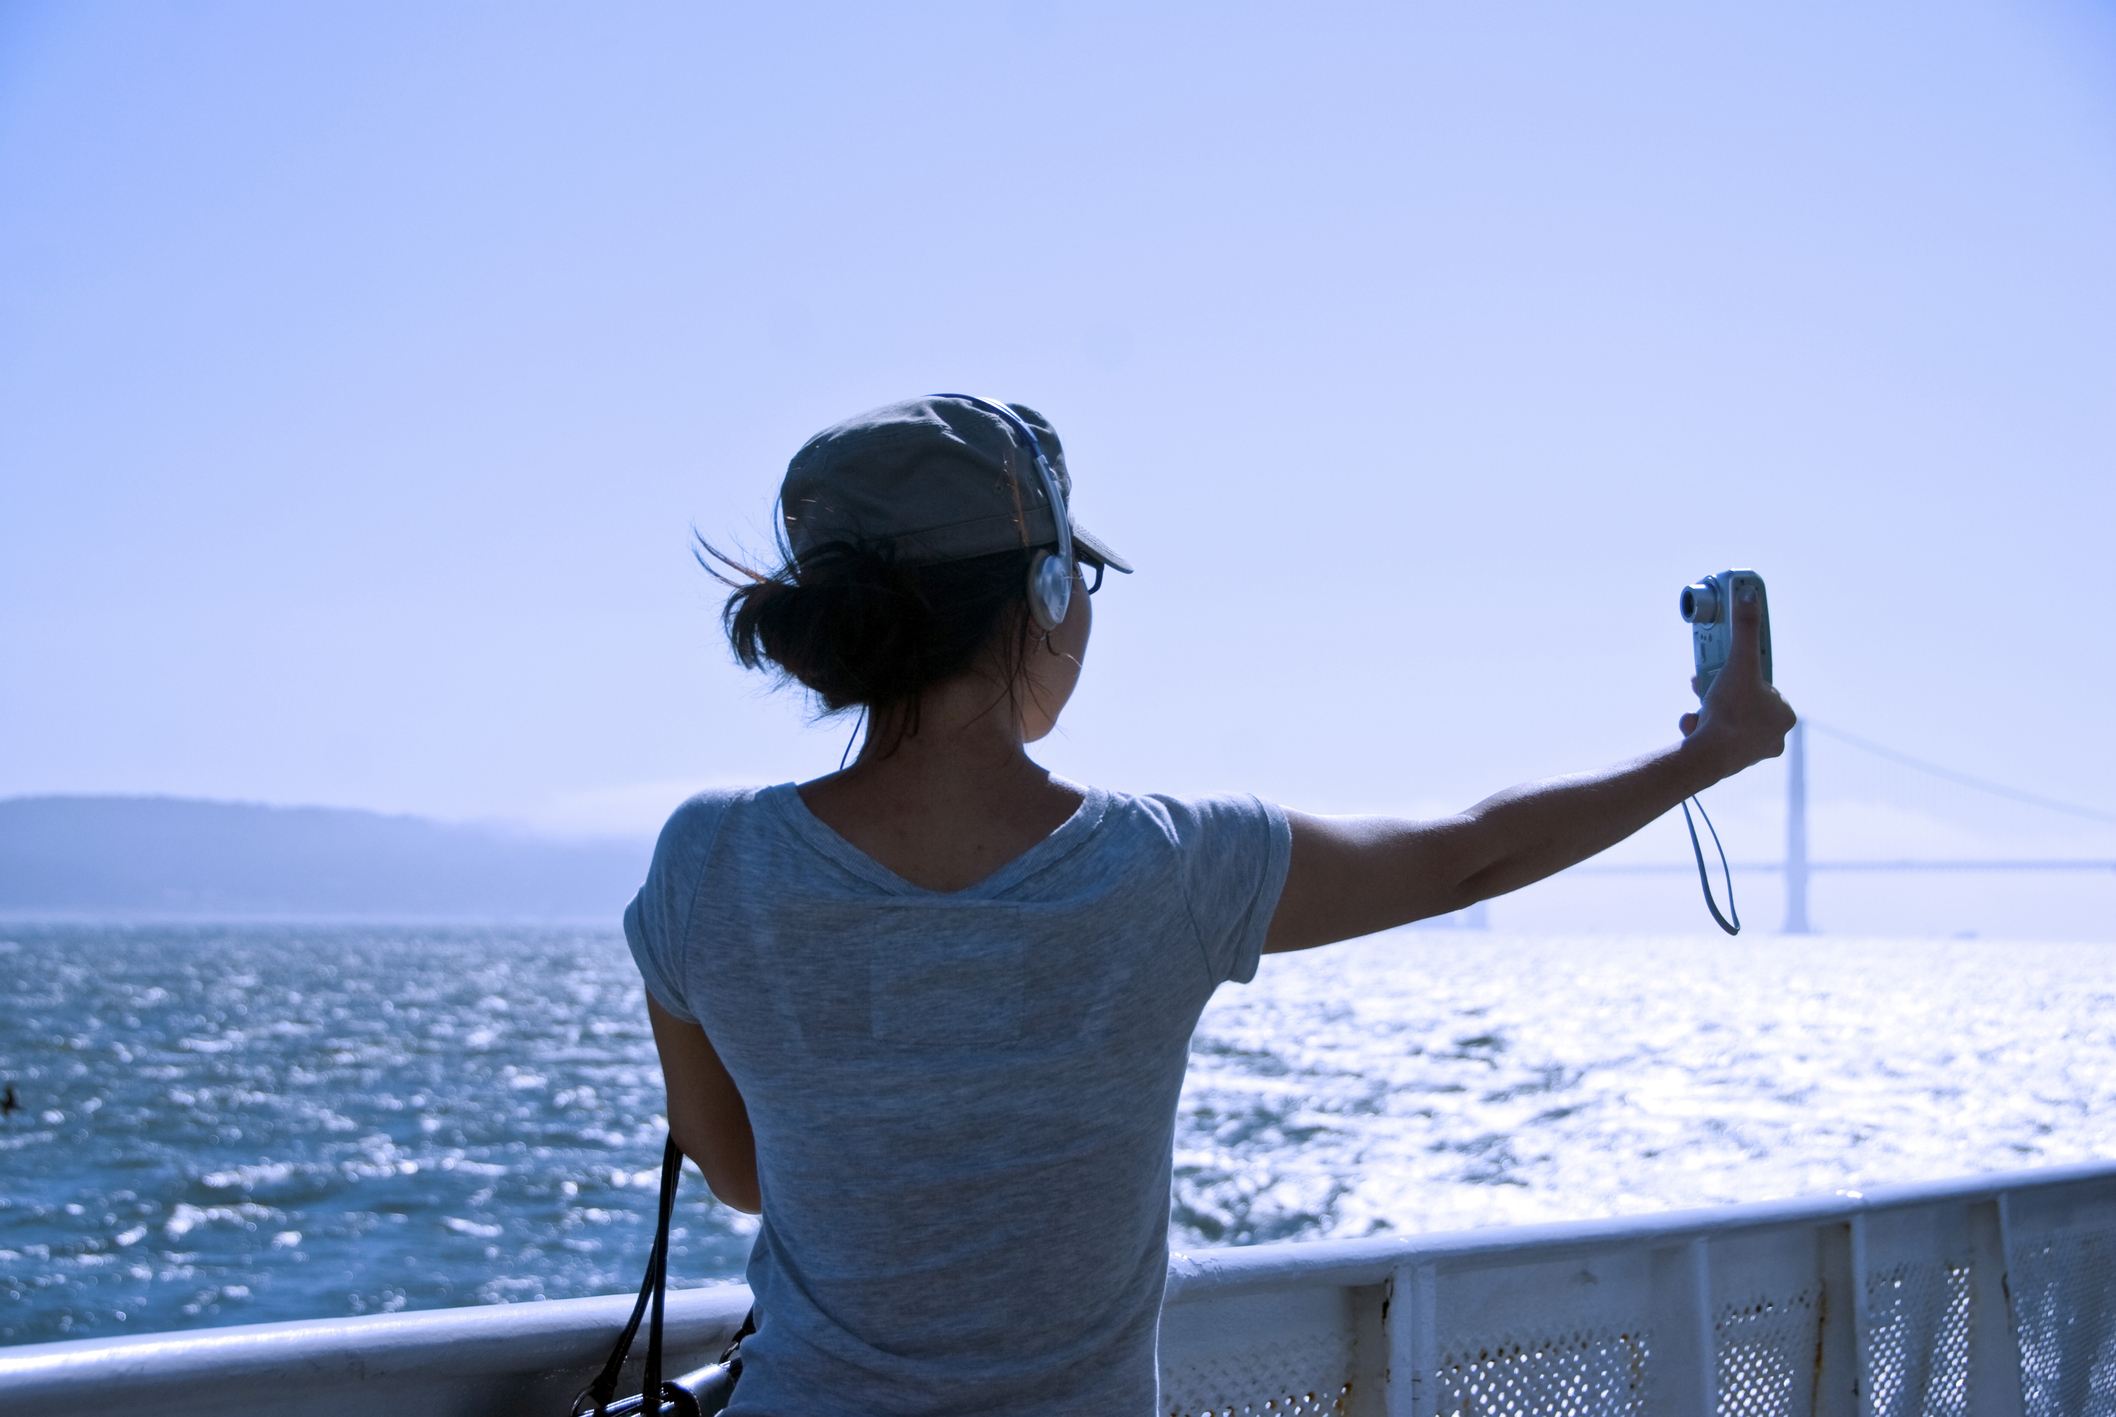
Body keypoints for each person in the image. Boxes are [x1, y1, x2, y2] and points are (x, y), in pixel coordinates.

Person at [625, 395, 1794, 1416]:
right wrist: (1708, 753)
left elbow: (739, 1173)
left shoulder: (706, 861)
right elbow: (1468, 858)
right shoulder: (1164, 869)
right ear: (1041, 589)